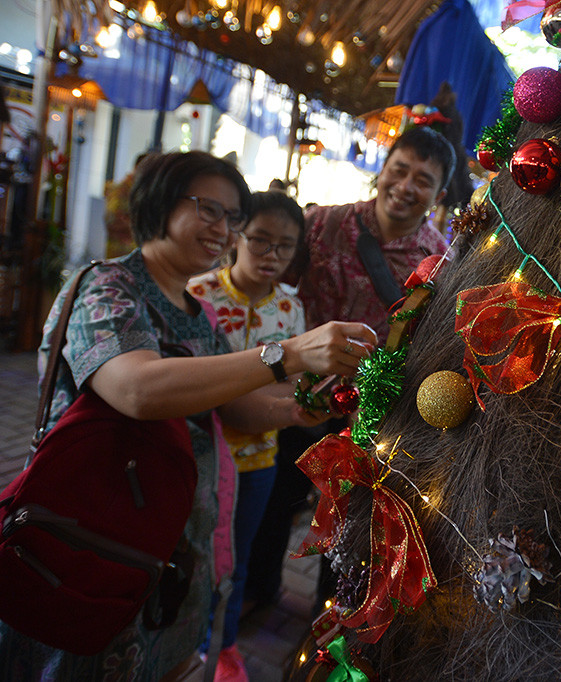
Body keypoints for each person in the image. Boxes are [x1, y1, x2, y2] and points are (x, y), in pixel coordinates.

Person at [0, 151, 375, 681]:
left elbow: (228, 406)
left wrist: (298, 409)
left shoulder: (196, 316)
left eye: (231, 217)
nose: (223, 229)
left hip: (165, 542)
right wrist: (285, 355)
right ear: (158, 204)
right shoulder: (108, 288)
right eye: (208, 209)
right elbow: (136, 389)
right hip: (90, 536)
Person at [245, 126, 455, 610]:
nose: (405, 186)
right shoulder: (322, 225)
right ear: (382, 171)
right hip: (293, 393)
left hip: (362, 414)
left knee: (342, 519)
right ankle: (257, 592)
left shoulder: (438, 265)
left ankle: (328, 612)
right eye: (398, 170)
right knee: (276, 498)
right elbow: (278, 292)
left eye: (421, 179)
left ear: (438, 194)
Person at [187, 191, 307, 681]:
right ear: (237, 236)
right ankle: (175, 642)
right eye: (260, 240)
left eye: (284, 246)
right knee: (187, 553)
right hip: (196, 458)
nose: (271, 255)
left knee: (234, 559)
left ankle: (224, 645)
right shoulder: (199, 295)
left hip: (257, 460)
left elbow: (294, 384)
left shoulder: (290, 311)